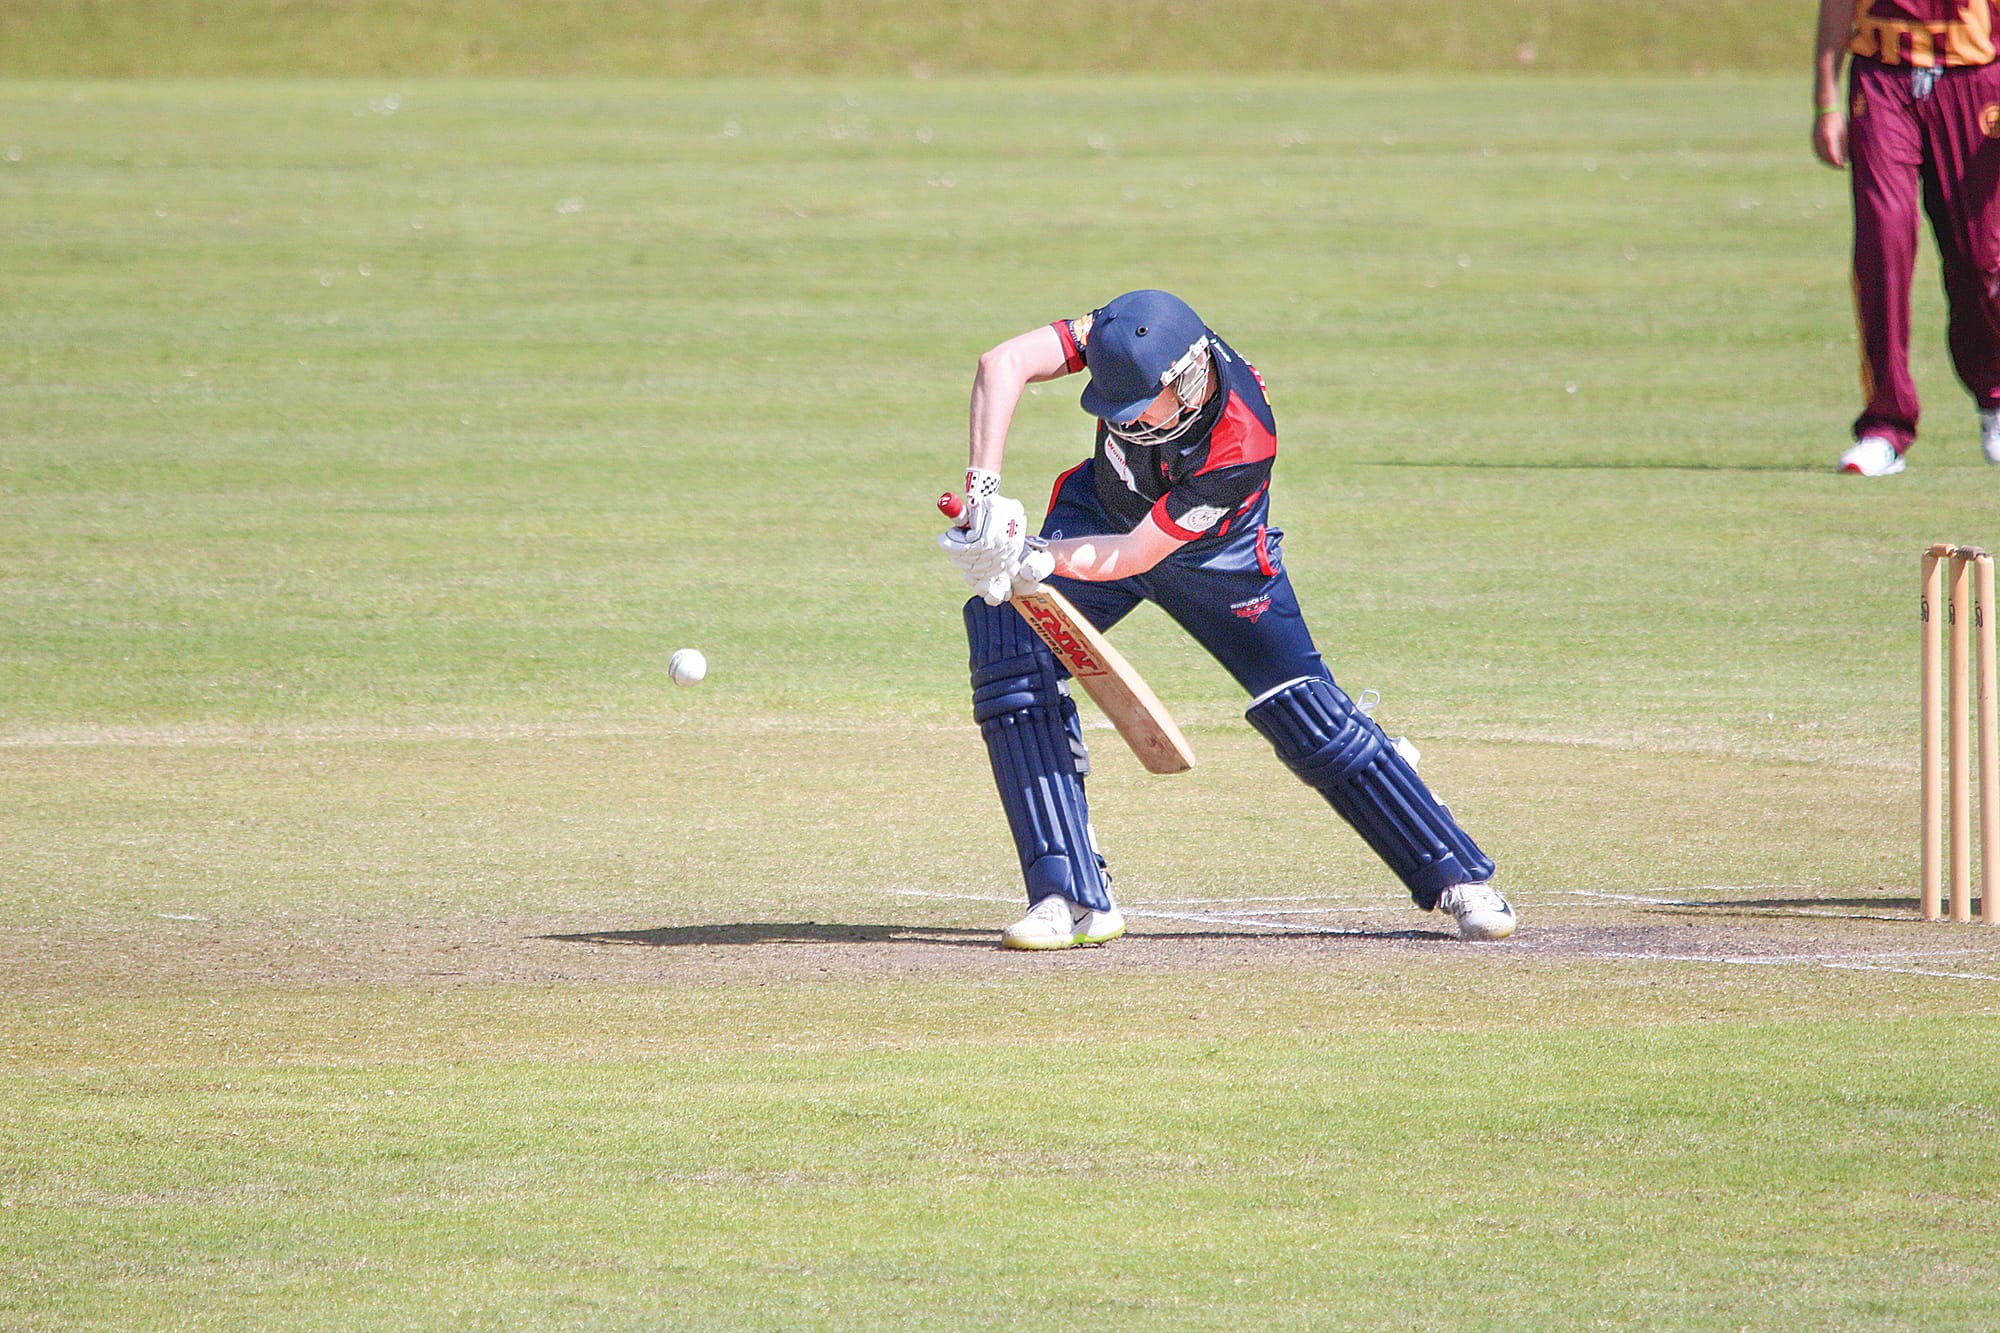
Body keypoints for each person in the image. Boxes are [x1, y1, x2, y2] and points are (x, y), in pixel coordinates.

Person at [936, 290, 1513, 949]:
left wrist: (1033, 552)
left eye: (1134, 406)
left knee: (1307, 716)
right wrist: (984, 496)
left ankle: (1457, 874)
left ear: (1184, 380)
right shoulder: (1121, 333)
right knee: (1005, 630)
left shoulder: (1242, 438)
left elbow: (1134, 556)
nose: (1122, 419)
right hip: (1102, 510)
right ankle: (1068, 892)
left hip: (1219, 562)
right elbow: (1001, 363)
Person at [1813, 0, 2000, 475]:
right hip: (1882, 77)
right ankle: (1885, 426)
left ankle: (1996, 399)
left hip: (1974, 80)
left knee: (1981, 257)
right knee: (1883, 249)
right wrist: (1826, 103)